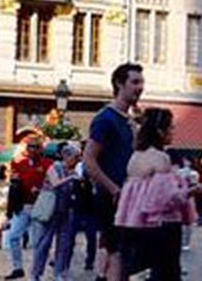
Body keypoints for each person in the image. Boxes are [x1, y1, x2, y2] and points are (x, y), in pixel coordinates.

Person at [115, 109, 202, 281]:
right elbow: (166, 199)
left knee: (136, 269)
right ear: (160, 131)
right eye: (171, 128)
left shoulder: (135, 157)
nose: (173, 132)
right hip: (162, 225)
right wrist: (195, 190)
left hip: (134, 223)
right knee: (166, 272)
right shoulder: (161, 158)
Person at [84, 62, 143, 281]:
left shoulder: (128, 121)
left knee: (121, 253)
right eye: (134, 82)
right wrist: (113, 189)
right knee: (118, 253)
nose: (139, 87)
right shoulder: (105, 119)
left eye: (141, 82)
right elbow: (89, 159)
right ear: (119, 84)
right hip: (114, 199)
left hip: (128, 197)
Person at [31, 143, 83, 281]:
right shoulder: (55, 167)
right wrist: (71, 178)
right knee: (44, 243)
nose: (78, 160)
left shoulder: (73, 171)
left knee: (64, 243)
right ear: (67, 156)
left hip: (65, 210)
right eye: (76, 157)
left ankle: (60, 273)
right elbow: (55, 183)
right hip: (50, 210)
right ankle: (36, 274)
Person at [6, 139, 53, 281]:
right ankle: (18, 267)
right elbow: (14, 186)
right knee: (13, 236)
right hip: (23, 205)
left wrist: (41, 189)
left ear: (41, 149)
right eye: (30, 147)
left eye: (35, 147)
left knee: (38, 241)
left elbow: (52, 182)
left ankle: (36, 273)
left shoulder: (48, 165)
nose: (32, 150)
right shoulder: (20, 164)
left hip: (40, 206)